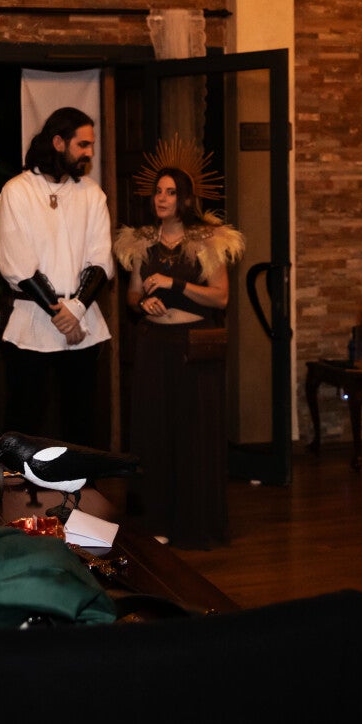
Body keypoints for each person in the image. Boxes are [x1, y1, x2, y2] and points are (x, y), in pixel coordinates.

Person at [115, 162, 243, 549]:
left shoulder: (208, 241)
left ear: (185, 199)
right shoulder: (142, 242)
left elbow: (220, 297)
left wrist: (176, 284)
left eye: (170, 192)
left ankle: (195, 524)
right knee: (155, 432)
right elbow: (132, 294)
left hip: (194, 348)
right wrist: (143, 303)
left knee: (193, 432)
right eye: (158, 191)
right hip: (154, 345)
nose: (162, 198)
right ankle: (156, 521)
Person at [0, 106, 113, 446]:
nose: (90, 153)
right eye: (83, 145)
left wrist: (76, 310)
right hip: (33, 321)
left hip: (81, 322)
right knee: (24, 421)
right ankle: (18, 481)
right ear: (58, 142)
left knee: (81, 422)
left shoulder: (92, 194)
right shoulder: (17, 191)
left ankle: (81, 482)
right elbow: (18, 264)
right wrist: (60, 313)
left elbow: (101, 259)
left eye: (92, 145)